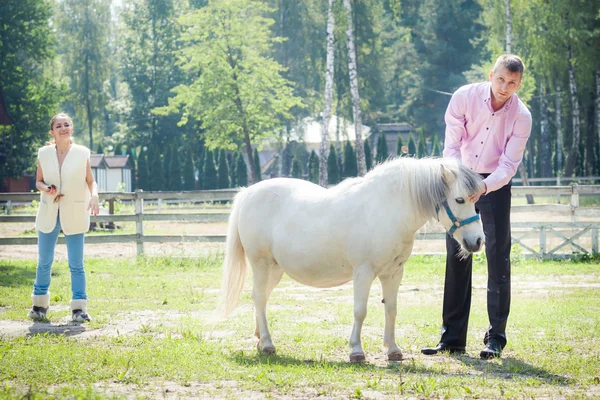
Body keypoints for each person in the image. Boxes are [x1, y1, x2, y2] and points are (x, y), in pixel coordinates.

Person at [421, 54, 532, 359]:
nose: (504, 87)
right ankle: (452, 338)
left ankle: (495, 338)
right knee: (457, 256)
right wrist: (461, 181)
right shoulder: (463, 98)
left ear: (519, 83)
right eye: (500, 79)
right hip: (462, 176)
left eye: (512, 82)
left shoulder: (522, 116)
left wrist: (483, 186)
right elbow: (452, 147)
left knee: (497, 258)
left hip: (494, 184)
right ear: (491, 74)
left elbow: (509, 165)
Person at [28, 113, 100, 323]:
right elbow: (38, 182)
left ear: (72, 128)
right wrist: (46, 189)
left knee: (76, 264)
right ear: (52, 131)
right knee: (44, 262)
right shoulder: (44, 153)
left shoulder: (82, 153)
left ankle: (79, 308)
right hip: (49, 211)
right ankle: (39, 305)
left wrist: (94, 196)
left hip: (74, 212)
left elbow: (90, 182)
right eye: (59, 126)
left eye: (67, 124)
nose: (63, 128)